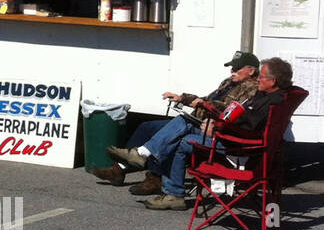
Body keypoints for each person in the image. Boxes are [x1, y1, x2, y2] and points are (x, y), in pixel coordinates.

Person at [136, 57, 293, 210]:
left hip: (237, 148)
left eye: (261, 76)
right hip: (235, 139)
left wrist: (217, 128)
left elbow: (248, 129)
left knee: (181, 140)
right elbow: (242, 120)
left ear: (272, 81)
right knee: (183, 123)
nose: (258, 79)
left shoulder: (272, 103)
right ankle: (146, 156)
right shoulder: (271, 96)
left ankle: (171, 191)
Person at [91, 51, 260, 192]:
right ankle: (119, 169)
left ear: (251, 71)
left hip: (209, 127)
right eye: (232, 66)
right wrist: (183, 98)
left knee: (174, 133)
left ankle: (155, 177)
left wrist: (204, 104)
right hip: (197, 119)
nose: (232, 70)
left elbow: (230, 110)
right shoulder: (228, 82)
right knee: (147, 126)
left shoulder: (252, 88)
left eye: (237, 68)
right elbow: (206, 99)